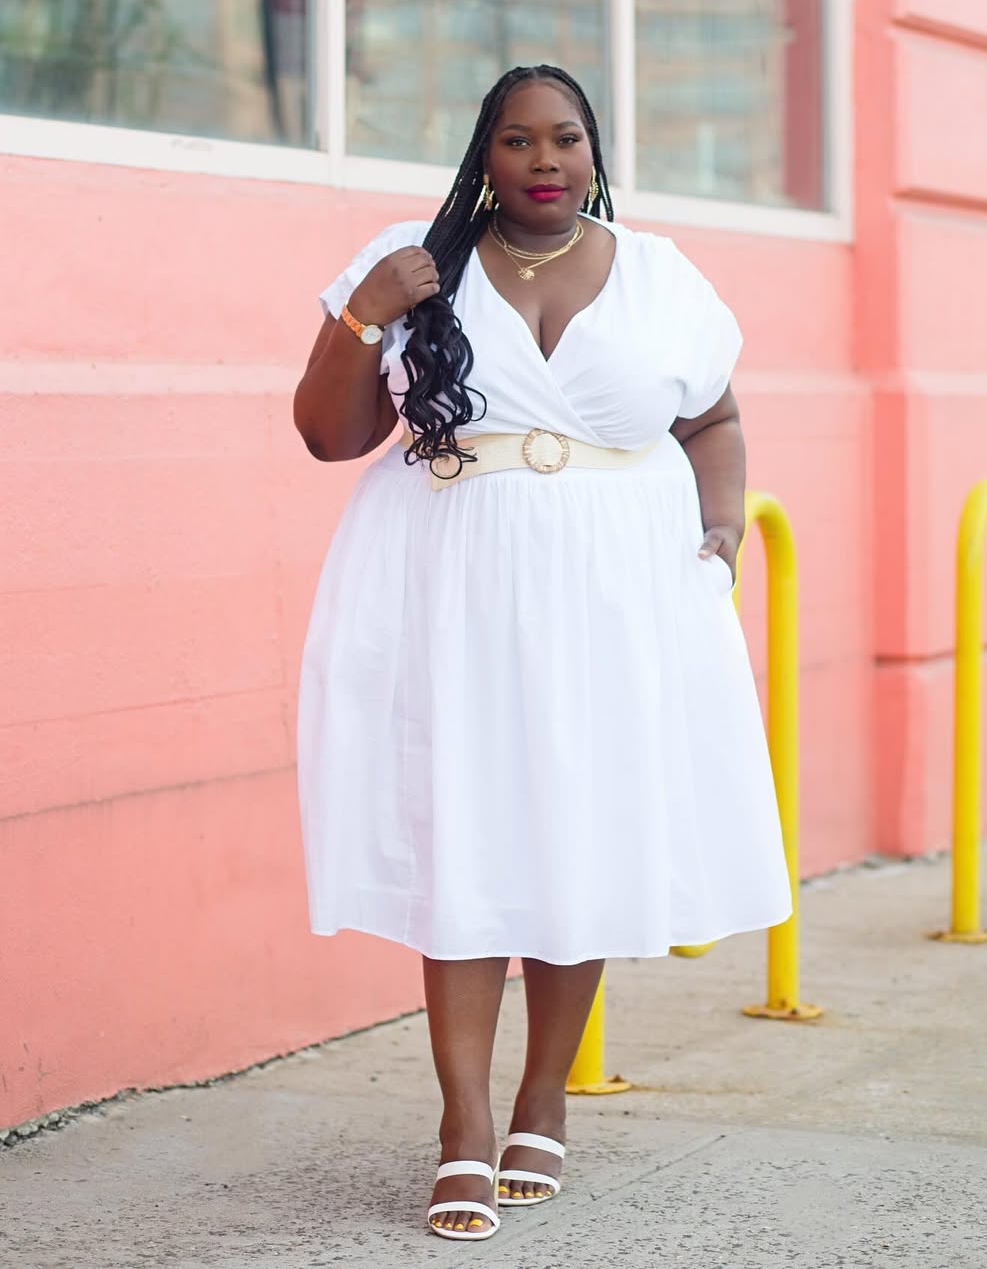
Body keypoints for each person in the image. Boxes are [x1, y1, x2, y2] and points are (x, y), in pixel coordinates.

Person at [293, 64, 791, 1243]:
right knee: (466, 838)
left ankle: (543, 1097)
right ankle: (462, 1129)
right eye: (518, 141)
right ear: (486, 153)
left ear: (593, 148)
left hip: (622, 596)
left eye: (564, 137)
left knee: (585, 835)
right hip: (452, 587)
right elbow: (329, 434)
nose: (545, 159)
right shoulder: (413, 259)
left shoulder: (660, 273)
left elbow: (712, 420)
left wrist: (718, 541)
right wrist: (367, 307)